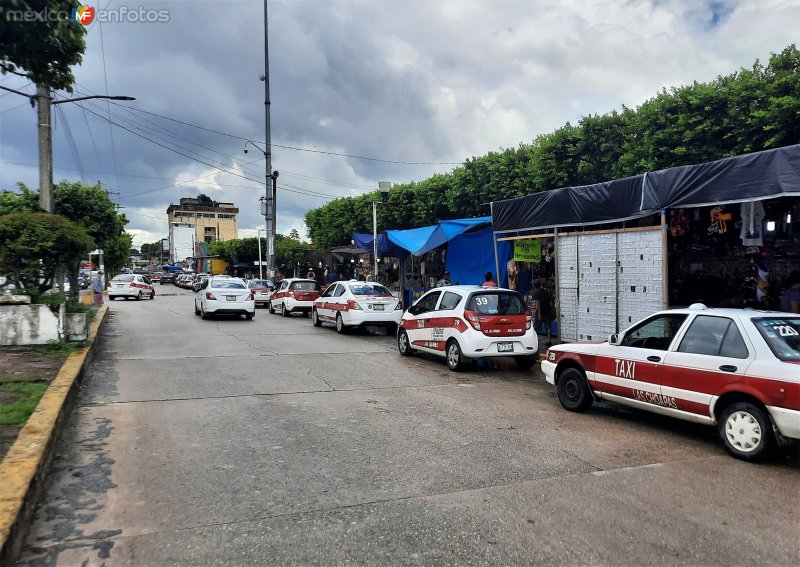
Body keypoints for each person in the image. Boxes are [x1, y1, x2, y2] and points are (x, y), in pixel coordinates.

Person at [532, 280, 553, 346]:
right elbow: (551, 301)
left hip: (541, 312)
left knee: (535, 326)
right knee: (548, 327)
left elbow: (538, 304)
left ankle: (534, 340)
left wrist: (539, 314)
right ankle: (549, 341)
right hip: (548, 311)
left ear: (534, 286)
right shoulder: (546, 291)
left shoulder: (536, 293)